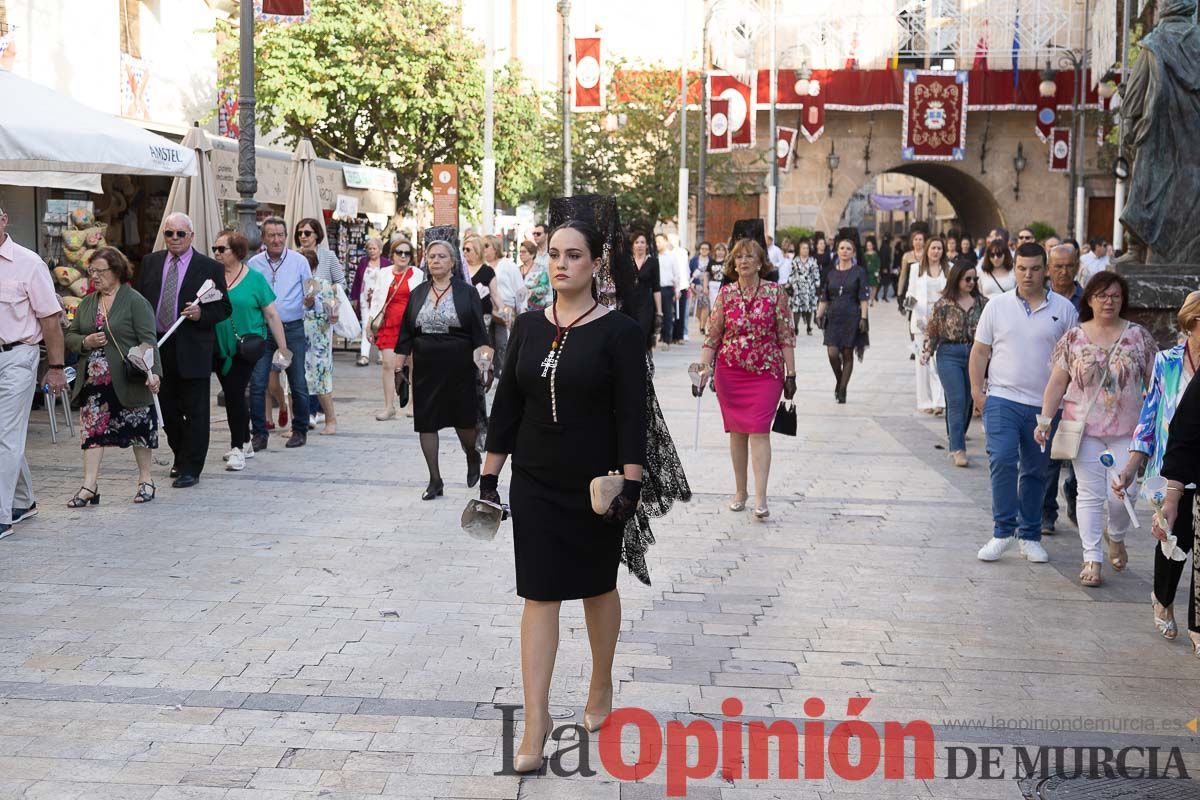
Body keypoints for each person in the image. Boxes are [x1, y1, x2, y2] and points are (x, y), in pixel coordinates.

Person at [479, 219, 648, 774]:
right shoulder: (528, 326)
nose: (561, 264)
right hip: (534, 482)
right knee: (540, 595)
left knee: (598, 588)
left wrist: (632, 482)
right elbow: (506, 407)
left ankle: (601, 682)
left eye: (574, 255)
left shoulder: (619, 332)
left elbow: (632, 415)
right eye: (554, 253)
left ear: (595, 263)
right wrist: (488, 476)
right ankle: (536, 720)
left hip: (596, 485)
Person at [1035, 272, 1156, 587]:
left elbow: (1156, 384)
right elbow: (1057, 382)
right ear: (1089, 299)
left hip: (1128, 430)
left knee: (1123, 493)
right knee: (1089, 493)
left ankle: (1115, 535)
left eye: (1115, 296)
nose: (1109, 301)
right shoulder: (1074, 337)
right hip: (1084, 428)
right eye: (1102, 295)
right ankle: (1092, 557)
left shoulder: (1138, 336)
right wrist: (1045, 421)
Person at [971, 243, 1079, 564]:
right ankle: (1002, 531)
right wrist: (978, 392)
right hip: (1003, 398)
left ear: (1044, 270)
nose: (1027, 274)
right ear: (1014, 268)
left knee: (1037, 470)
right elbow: (980, 351)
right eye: (1021, 268)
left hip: (1044, 407)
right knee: (1002, 460)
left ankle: (1029, 534)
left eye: (1034, 268)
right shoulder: (997, 306)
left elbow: (1073, 360)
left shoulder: (1065, 309)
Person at [1115, 291, 1200, 641]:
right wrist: (1131, 464)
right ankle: (1162, 599)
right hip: (1172, 467)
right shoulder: (1168, 361)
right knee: (1173, 542)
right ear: (1193, 322)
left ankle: (1198, 627)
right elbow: (1148, 419)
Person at [698, 238, 796, 516]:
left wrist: (792, 373)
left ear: (760, 262)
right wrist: (702, 371)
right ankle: (740, 490)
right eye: (739, 257)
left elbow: (786, 335)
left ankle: (761, 498)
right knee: (737, 432)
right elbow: (712, 337)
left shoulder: (776, 293)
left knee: (760, 430)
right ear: (733, 263)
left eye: (749, 256)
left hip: (767, 372)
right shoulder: (726, 294)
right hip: (731, 372)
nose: (743, 261)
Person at [135, 212, 231, 488]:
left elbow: (223, 308)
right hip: (159, 345)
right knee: (165, 408)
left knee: (196, 410)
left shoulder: (209, 267)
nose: (174, 238)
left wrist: (201, 313)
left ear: (191, 236)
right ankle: (180, 454)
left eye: (180, 233)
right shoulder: (151, 263)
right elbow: (141, 302)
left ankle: (192, 467)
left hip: (193, 346)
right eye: (169, 233)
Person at [394, 232, 489, 500]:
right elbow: (405, 335)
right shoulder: (418, 293)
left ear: (453, 263)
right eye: (431, 256)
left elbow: (480, 334)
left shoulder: (467, 293)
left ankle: (472, 455)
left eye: (441, 257)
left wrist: (485, 365)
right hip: (425, 367)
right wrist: (398, 368)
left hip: (459, 366)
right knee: (426, 423)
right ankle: (435, 480)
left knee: (464, 422)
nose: (435, 261)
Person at [65, 247, 162, 505]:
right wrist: (86, 340)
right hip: (94, 384)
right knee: (92, 433)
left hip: (129, 380)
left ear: (116, 271)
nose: (94, 276)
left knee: (139, 429)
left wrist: (154, 375)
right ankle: (89, 486)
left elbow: (148, 341)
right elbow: (71, 336)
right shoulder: (87, 302)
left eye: (100, 271)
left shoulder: (135, 301)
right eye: (91, 271)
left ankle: (146, 480)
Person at [0, 205, 66, 539]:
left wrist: (55, 368)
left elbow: (50, 321)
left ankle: (1, 516)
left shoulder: (29, 263)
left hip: (17, 355)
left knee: (6, 435)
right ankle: (23, 501)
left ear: (3, 220)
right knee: (5, 436)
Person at [211, 230, 289, 471]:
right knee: (232, 392)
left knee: (234, 394)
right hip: (219, 346)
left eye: (221, 249)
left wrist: (283, 348)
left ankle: (237, 448)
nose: (216, 253)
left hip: (247, 347)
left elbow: (272, 315)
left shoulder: (255, 279)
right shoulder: (212, 277)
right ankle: (246, 442)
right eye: (215, 249)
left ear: (237, 252)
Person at [248, 217, 312, 450]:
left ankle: (300, 429)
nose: (276, 240)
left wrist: (311, 301)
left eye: (280, 235)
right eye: (271, 235)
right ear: (263, 238)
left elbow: (310, 291)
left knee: (297, 382)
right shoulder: (254, 264)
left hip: (292, 328)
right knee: (257, 383)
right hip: (263, 330)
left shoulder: (299, 261)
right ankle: (259, 434)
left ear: (286, 236)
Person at [1153, 365, 1200, 659]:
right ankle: (1165, 600)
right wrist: (1171, 497)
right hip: (1188, 477)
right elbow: (1184, 433)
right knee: (1180, 538)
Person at [922, 262, 986, 467]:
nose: (971, 282)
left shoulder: (982, 303)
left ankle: (956, 435)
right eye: (967, 278)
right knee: (957, 398)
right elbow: (932, 331)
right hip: (949, 353)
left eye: (974, 279)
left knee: (968, 400)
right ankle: (958, 449)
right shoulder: (944, 304)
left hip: (975, 354)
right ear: (956, 279)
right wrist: (926, 351)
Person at [1041, 244, 1085, 531]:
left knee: (1079, 453)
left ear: (1077, 266)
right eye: (1058, 266)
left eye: (1069, 266)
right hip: (1051, 387)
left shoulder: (1089, 300)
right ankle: (1046, 513)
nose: (1063, 271)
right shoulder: (1041, 299)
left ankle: (1072, 488)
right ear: (1049, 269)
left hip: (1082, 389)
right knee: (1049, 456)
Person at [366, 239, 423, 420]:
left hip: (411, 325)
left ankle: (414, 403)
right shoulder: (383, 273)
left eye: (407, 253)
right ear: (392, 255)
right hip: (389, 323)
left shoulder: (418, 274)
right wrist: (369, 324)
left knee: (414, 365)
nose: (403, 256)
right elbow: (376, 300)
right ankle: (389, 406)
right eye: (399, 252)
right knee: (388, 364)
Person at [816, 235, 869, 404]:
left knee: (847, 353)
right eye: (841, 248)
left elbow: (863, 297)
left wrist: (864, 318)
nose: (844, 251)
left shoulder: (859, 272)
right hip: (833, 316)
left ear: (853, 253)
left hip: (852, 316)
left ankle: (843, 389)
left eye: (848, 249)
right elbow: (825, 296)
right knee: (832, 353)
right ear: (837, 251)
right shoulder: (831, 273)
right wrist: (818, 314)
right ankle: (840, 380)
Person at [908, 234, 950, 414]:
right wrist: (911, 309)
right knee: (923, 362)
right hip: (920, 319)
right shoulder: (916, 269)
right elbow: (910, 294)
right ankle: (924, 401)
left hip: (943, 321)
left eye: (939, 248)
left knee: (939, 361)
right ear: (927, 249)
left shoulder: (949, 269)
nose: (936, 251)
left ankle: (939, 400)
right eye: (933, 248)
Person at [301, 249, 338, 436]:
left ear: (314, 267)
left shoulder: (324, 285)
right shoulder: (293, 285)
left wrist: (333, 314)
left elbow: (333, 312)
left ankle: (331, 420)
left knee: (321, 382)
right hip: (297, 340)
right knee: (294, 383)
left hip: (319, 344)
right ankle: (297, 423)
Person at [484, 234, 525, 372]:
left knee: (503, 343)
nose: (483, 249)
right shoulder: (482, 266)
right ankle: (492, 376)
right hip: (485, 309)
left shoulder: (508, 264)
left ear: (495, 247)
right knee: (487, 344)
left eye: (486, 245)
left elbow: (520, 288)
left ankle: (505, 374)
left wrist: (521, 311)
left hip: (505, 309)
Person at [351, 238, 388, 367]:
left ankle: (382, 355)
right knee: (366, 326)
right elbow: (357, 281)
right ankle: (364, 355)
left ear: (380, 250)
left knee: (380, 326)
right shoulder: (363, 262)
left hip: (381, 300)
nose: (372, 251)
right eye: (370, 248)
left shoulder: (386, 263)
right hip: (364, 299)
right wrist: (354, 297)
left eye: (374, 248)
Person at [631, 231, 662, 351]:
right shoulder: (627, 262)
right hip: (630, 303)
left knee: (643, 333)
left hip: (646, 304)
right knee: (629, 334)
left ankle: (642, 362)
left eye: (642, 242)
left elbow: (656, 287)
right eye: (637, 242)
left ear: (647, 245)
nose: (639, 245)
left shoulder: (653, 262)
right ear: (633, 245)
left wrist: (660, 312)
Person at [294, 217, 346, 287]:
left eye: (307, 233)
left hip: (324, 297)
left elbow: (342, 284)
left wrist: (326, 290)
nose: (303, 236)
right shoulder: (293, 257)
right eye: (300, 233)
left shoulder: (329, 256)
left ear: (317, 235)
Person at [787, 240, 821, 335]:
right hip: (798, 287)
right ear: (799, 249)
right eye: (803, 248)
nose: (805, 250)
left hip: (809, 288)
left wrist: (817, 282)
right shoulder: (795, 261)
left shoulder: (812, 261)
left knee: (809, 308)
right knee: (796, 308)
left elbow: (816, 273)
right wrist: (789, 283)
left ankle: (809, 327)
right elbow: (792, 273)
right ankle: (796, 327)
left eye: (807, 248)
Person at [655, 233, 677, 350]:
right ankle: (654, 338)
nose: (657, 244)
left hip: (667, 288)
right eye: (656, 241)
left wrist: (677, 290)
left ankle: (666, 339)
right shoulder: (653, 256)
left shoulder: (671, 256)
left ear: (665, 242)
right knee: (655, 314)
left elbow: (676, 274)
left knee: (667, 314)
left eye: (659, 241)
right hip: (654, 289)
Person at [519, 239, 550, 313]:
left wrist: (532, 291)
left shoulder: (541, 269)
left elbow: (545, 288)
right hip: (519, 309)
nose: (520, 254)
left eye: (523, 252)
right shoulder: (517, 270)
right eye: (520, 252)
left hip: (536, 309)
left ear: (532, 254)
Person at [672, 237, 691, 343]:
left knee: (681, 311)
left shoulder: (683, 252)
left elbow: (685, 269)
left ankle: (679, 335)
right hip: (670, 284)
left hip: (682, 285)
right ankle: (669, 335)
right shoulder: (669, 253)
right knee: (671, 312)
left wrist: (686, 282)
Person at [691, 241, 713, 334]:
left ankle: (702, 327)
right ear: (699, 250)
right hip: (696, 285)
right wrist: (691, 283)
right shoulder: (694, 260)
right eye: (702, 248)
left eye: (706, 249)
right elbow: (690, 272)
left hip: (707, 286)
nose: (704, 250)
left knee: (705, 305)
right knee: (697, 309)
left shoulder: (711, 260)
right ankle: (702, 322)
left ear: (709, 250)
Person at [708, 242, 728, 310]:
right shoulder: (711, 261)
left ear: (725, 251)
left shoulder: (727, 261)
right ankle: (713, 319)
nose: (720, 252)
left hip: (723, 284)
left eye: (722, 250)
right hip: (713, 284)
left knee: (723, 304)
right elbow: (706, 273)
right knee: (713, 305)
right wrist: (705, 286)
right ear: (715, 251)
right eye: (718, 250)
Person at [862, 237, 881, 305]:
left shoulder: (875, 254)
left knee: (874, 287)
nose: (869, 247)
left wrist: (877, 271)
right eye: (867, 245)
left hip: (874, 272)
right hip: (867, 273)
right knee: (868, 287)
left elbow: (878, 263)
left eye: (870, 245)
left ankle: (872, 300)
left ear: (872, 246)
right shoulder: (864, 255)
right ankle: (868, 299)